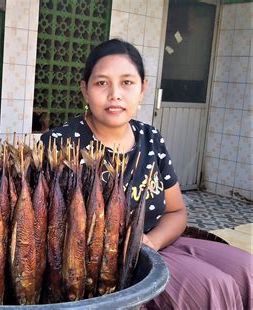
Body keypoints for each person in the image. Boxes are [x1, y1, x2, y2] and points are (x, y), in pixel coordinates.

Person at [40, 39, 251, 309]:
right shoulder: (61, 144)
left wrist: (152, 241)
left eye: (127, 82)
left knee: (246, 268)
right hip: (99, 265)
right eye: (101, 83)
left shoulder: (149, 138)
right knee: (212, 286)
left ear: (142, 89)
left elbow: (176, 212)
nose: (115, 94)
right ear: (84, 90)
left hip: (156, 244)